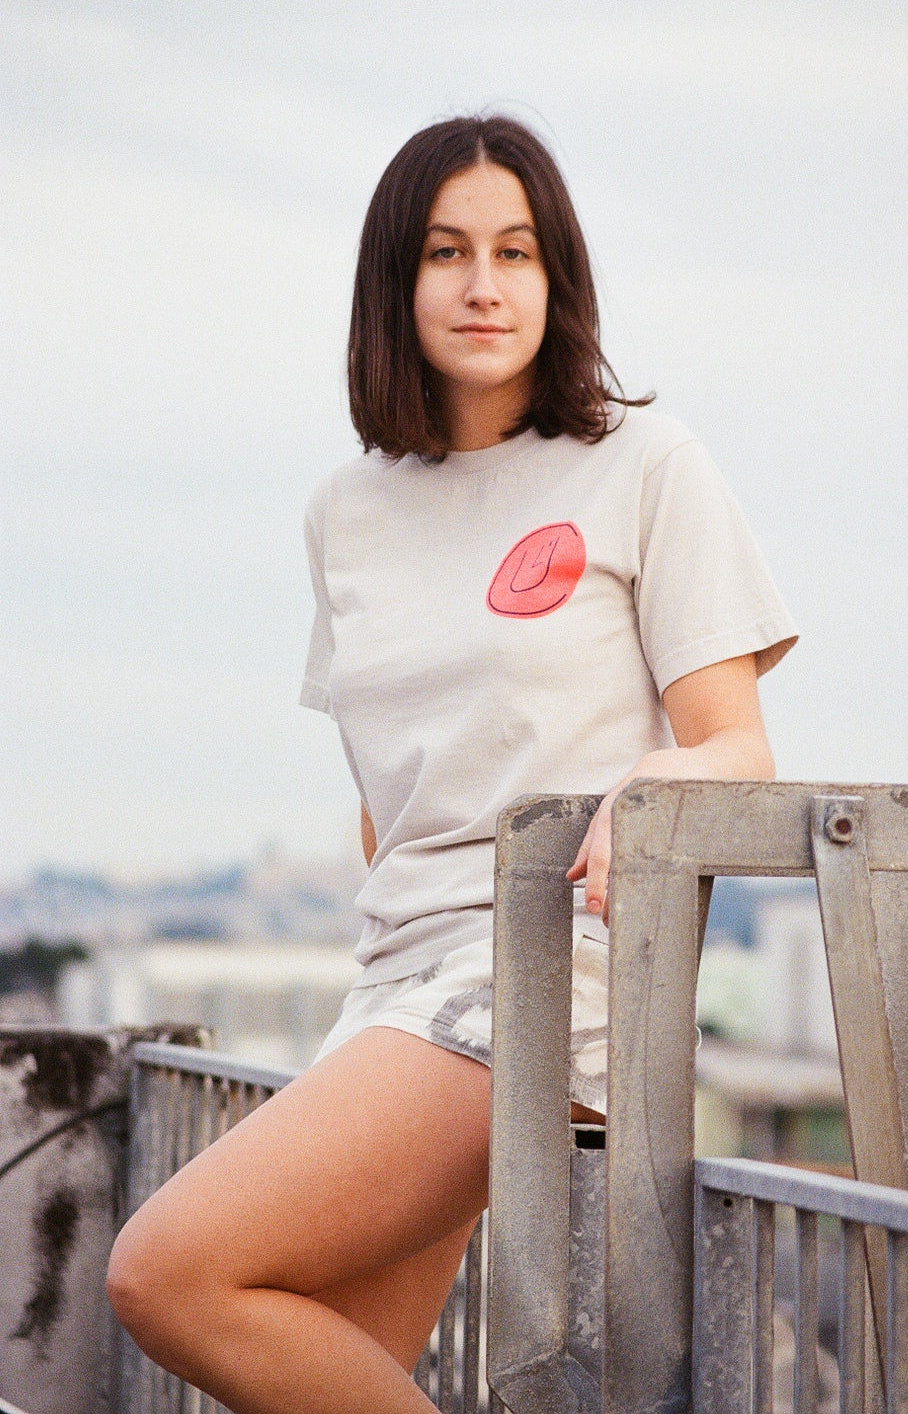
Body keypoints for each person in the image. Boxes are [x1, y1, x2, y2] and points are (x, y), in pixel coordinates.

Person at [107, 113, 797, 1413]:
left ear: (559, 277)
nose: (485, 284)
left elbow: (736, 748)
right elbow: (384, 805)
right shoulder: (345, 510)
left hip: (547, 975)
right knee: (320, 1364)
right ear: (396, 281)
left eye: (517, 251)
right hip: (394, 985)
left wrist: (645, 788)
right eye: (447, 251)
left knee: (167, 1271)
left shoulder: (646, 464)